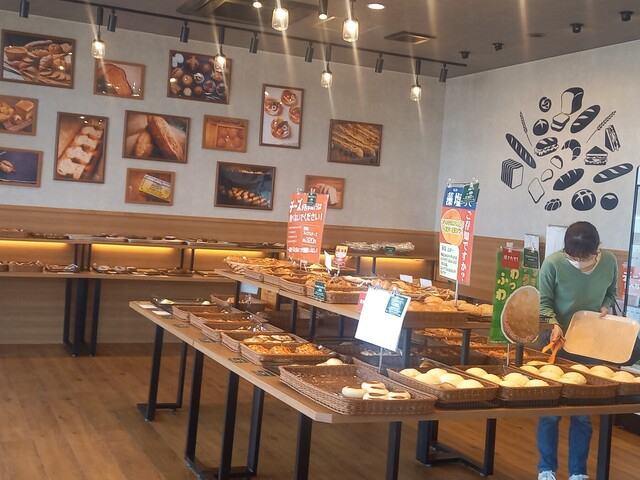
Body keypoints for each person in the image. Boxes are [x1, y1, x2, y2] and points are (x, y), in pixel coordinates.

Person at [536, 221, 619, 480]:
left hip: (590, 342)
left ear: (596, 249)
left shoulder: (609, 261)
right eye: (575, 257)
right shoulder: (553, 264)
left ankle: (578, 472)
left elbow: (611, 292)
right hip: (556, 340)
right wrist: (553, 323)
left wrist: (605, 306)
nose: (580, 262)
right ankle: (546, 469)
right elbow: (543, 303)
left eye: (586, 257)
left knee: (582, 413)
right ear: (566, 251)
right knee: (550, 411)